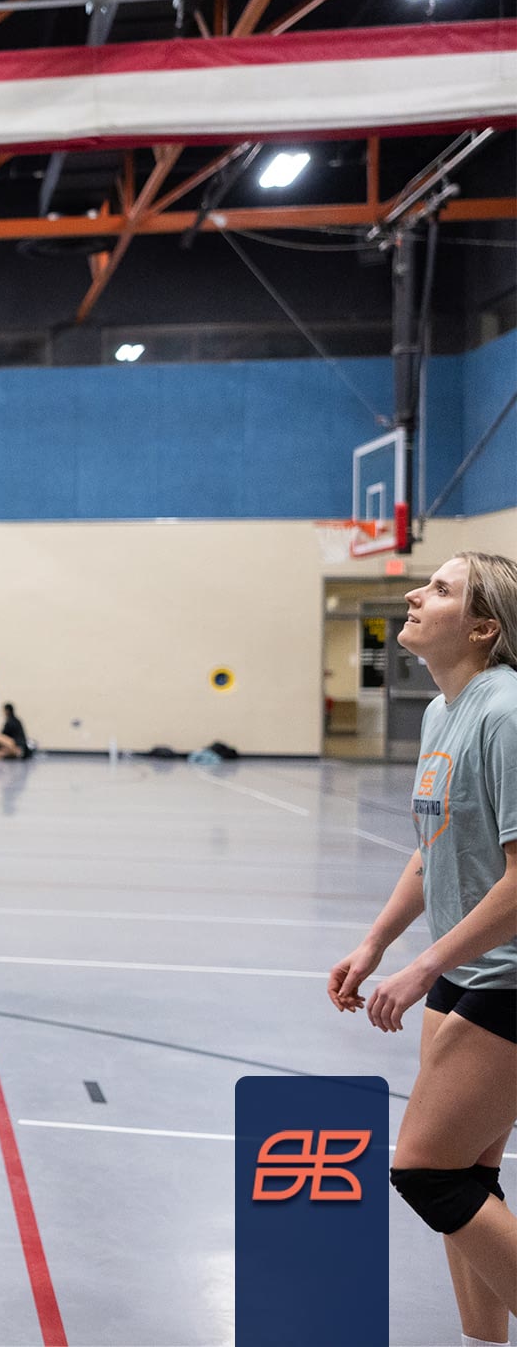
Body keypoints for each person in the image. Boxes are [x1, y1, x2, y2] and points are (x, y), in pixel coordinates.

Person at [328, 551, 517, 1346]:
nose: (415, 592)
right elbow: (433, 844)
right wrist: (377, 942)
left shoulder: (506, 712)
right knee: (467, 1174)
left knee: (426, 1173)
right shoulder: (444, 711)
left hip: (506, 978)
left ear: (482, 628)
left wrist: (422, 966)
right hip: (466, 970)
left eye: (440, 588)